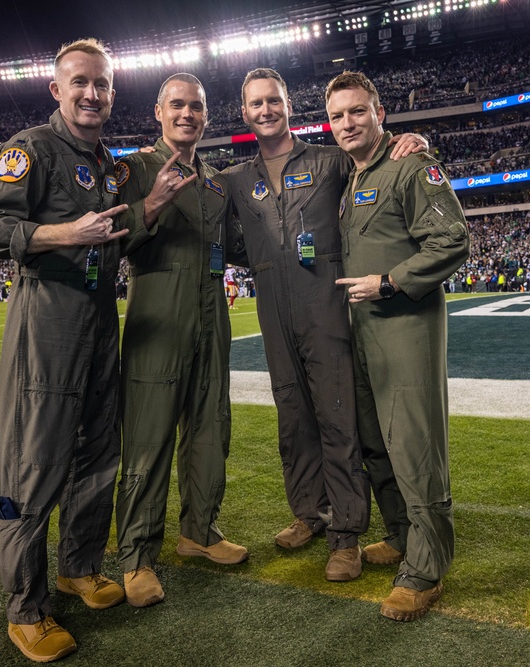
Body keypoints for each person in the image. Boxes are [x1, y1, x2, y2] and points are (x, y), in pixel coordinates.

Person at [222, 68, 428, 582]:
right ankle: (308, 514)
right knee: (293, 419)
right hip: (273, 309)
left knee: (339, 421)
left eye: (274, 100)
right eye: (255, 104)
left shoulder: (328, 159)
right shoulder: (235, 179)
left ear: (289, 105)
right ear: (244, 114)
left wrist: (410, 139)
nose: (265, 110)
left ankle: (346, 535)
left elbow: (373, 156)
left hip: (325, 307)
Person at [0, 38, 130, 664]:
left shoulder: (108, 161)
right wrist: (65, 232)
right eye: (81, 83)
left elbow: (116, 231)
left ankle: (78, 568)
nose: (92, 94)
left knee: (97, 452)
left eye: (102, 84)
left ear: (113, 93)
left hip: (98, 319)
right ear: (57, 90)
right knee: (32, 462)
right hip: (47, 322)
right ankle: (26, 607)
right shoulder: (29, 148)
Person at [326, 71, 470, 621]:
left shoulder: (410, 166)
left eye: (357, 112)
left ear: (379, 112)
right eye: (338, 116)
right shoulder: (351, 175)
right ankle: (403, 536)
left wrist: (389, 281)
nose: (347, 124)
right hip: (361, 333)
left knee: (413, 445)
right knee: (375, 441)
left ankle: (427, 569)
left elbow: (453, 239)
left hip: (404, 327)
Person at [114, 73, 247, 609]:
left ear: (207, 116)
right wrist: (150, 203)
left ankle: (198, 531)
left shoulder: (216, 181)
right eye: (177, 105)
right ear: (158, 112)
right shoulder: (137, 168)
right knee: (148, 436)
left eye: (195, 106)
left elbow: (237, 243)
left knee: (211, 425)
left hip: (212, 314)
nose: (187, 113)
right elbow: (115, 235)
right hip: (159, 314)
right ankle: (137, 555)